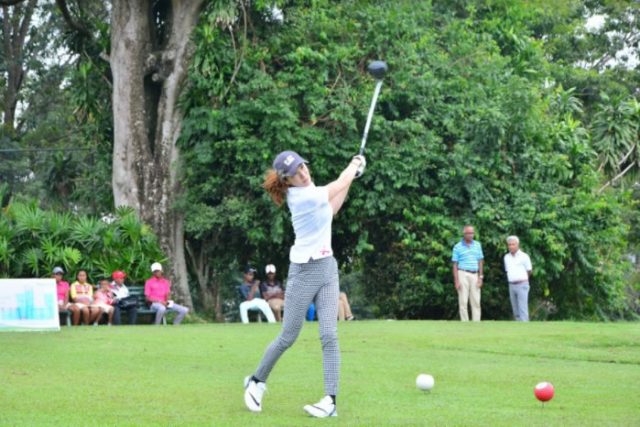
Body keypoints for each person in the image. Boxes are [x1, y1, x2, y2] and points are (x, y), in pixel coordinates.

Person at [243, 150, 365, 418]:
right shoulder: (301, 197)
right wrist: (354, 165)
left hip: (327, 268)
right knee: (288, 335)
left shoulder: (312, 192)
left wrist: (352, 176)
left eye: (302, 167)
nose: (302, 173)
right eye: (295, 173)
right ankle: (256, 381)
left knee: (330, 334)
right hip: (304, 272)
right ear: (286, 181)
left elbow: (333, 207)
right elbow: (337, 185)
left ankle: (330, 401)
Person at [451, 225, 484, 321]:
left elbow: (480, 261)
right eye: (468, 233)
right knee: (463, 301)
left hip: (475, 274)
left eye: (472, 233)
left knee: (476, 300)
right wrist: (456, 280)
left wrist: (481, 277)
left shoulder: (477, 245)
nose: (470, 235)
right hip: (462, 273)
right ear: (464, 234)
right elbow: (455, 264)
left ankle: (476, 322)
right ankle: (465, 322)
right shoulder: (457, 246)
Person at [503, 235, 532, 321]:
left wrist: (524, 279)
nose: (511, 246)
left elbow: (529, 270)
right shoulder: (506, 257)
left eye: (513, 244)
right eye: (509, 244)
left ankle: (525, 325)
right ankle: (518, 325)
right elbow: (507, 270)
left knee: (522, 308)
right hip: (511, 284)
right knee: (515, 309)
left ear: (517, 245)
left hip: (522, 284)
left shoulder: (524, 256)